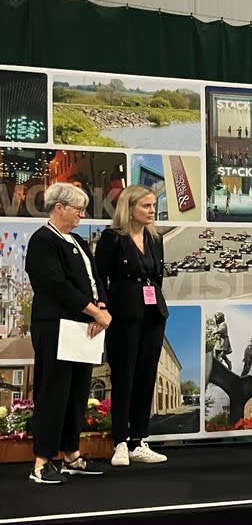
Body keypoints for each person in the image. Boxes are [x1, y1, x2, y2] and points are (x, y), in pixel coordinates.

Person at [25, 182, 111, 484]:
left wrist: (101, 304)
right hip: (56, 327)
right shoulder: (42, 241)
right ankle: (42, 461)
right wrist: (95, 311)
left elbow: (94, 277)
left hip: (84, 327)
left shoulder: (76, 240)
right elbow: (55, 285)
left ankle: (71, 453)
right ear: (59, 207)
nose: (81, 215)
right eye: (78, 209)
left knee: (77, 392)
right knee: (53, 393)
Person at [95, 184, 169, 467]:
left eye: (153, 205)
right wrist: (102, 306)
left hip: (153, 316)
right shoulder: (112, 238)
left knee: (146, 377)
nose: (152, 211)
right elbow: (99, 276)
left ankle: (140, 440)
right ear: (130, 208)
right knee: (124, 377)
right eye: (146, 206)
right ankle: (120, 442)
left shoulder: (155, 238)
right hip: (124, 315)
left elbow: (157, 277)